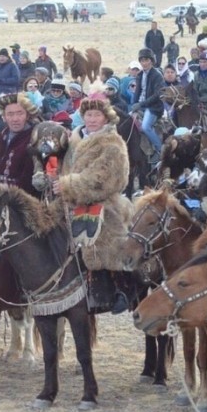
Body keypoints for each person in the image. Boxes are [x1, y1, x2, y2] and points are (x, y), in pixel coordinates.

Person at [50, 94, 135, 314]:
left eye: (97, 114)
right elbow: (64, 167)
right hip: (70, 199)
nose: (92, 119)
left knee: (104, 237)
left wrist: (68, 185)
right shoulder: (74, 139)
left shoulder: (113, 144)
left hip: (103, 200)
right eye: (88, 114)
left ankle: (119, 289)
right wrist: (52, 177)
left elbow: (102, 178)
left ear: (106, 118)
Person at [0, 93, 39, 194]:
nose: (15, 119)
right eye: (10, 114)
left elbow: (28, 180)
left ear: (27, 115)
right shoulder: (2, 135)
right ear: (4, 116)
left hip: (20, 198)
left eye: (20, 113)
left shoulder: (33, 138)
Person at [131, 48, 164, 160]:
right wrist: (134, 104)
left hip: (153, 107)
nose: (144, 63)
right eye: (142, 60)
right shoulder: (140, 75)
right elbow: (137, 92)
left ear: (151, 61)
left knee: (145, 127)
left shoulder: (157, 75)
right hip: (141, 105)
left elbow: (157, 95)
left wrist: (141, 104)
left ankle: (160, 149)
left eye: (146, 60)